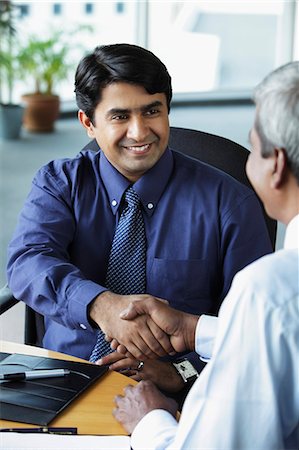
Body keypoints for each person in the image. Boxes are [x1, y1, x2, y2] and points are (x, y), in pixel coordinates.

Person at [7, 44, 272, 401]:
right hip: (63, 375)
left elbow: (252, 329)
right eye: (120, 116)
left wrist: (181, 372)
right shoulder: (60, 183)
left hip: (178, 391)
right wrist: (102, 306)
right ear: (89, 123)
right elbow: (27, 261)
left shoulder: (230, 202)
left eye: (152, 111)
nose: (139, 132)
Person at [112, 61, 299, 449]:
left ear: (276, 166)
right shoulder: (276, 299)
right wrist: (194, 328)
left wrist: (149, 420)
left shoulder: (268, 290)